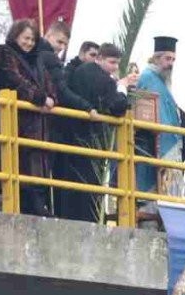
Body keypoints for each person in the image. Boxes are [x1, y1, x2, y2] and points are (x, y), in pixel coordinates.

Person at [54, 39, 129, 223]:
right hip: (91, 140)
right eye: (112, 63)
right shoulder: (104, 80)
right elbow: (118, 107)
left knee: (69, 189)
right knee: (88, 192)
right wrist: (122, 88)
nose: (114, 67)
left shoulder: (80, 71)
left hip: (70, 136)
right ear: (100, 59)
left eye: (117, 64)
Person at [0, 19, 55, 216]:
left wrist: (51, 98)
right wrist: (40, 98)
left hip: (38, 125)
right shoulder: (4, 52)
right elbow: (12, 80)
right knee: (20, 164)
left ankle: (39, 204)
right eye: (26, 38)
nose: (29, 43)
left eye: (32, 39)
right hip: (16, 121)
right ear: (16, 36)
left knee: (37, 165)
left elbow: (49, 84)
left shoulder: (36, 59)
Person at [133, 36, 183, 196]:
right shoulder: (148, 77)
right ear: (156, 58)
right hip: (149, 143)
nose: (171, 63)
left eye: (173, 59)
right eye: (167, 58)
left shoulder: (162, 81)